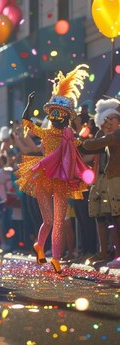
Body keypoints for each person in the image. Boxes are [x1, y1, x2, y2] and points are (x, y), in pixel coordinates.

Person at [15, 65, 91, 273]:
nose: (57, 116)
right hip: (43, 177)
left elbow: (80, 148)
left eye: (61, 113)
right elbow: (27, 124)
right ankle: (40, 246)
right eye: (54, 113)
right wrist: (29, 105)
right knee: (48, 220)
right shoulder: (46, 134)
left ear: (67, 117)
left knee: (59, 221)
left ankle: (55, 258)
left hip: (63, 179)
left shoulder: (69, 137)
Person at [81, 98, 120, 268]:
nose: (109, 122)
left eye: (112, 119)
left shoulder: (116, 135)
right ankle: (113, 254)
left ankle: (116, 255)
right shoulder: (111, 135)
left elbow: (92, 145)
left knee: (116, 218)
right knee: (114, 219)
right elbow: (92, 147)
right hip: (112, 179)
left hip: (115, 179)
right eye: (106, 119)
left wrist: (76, 141)